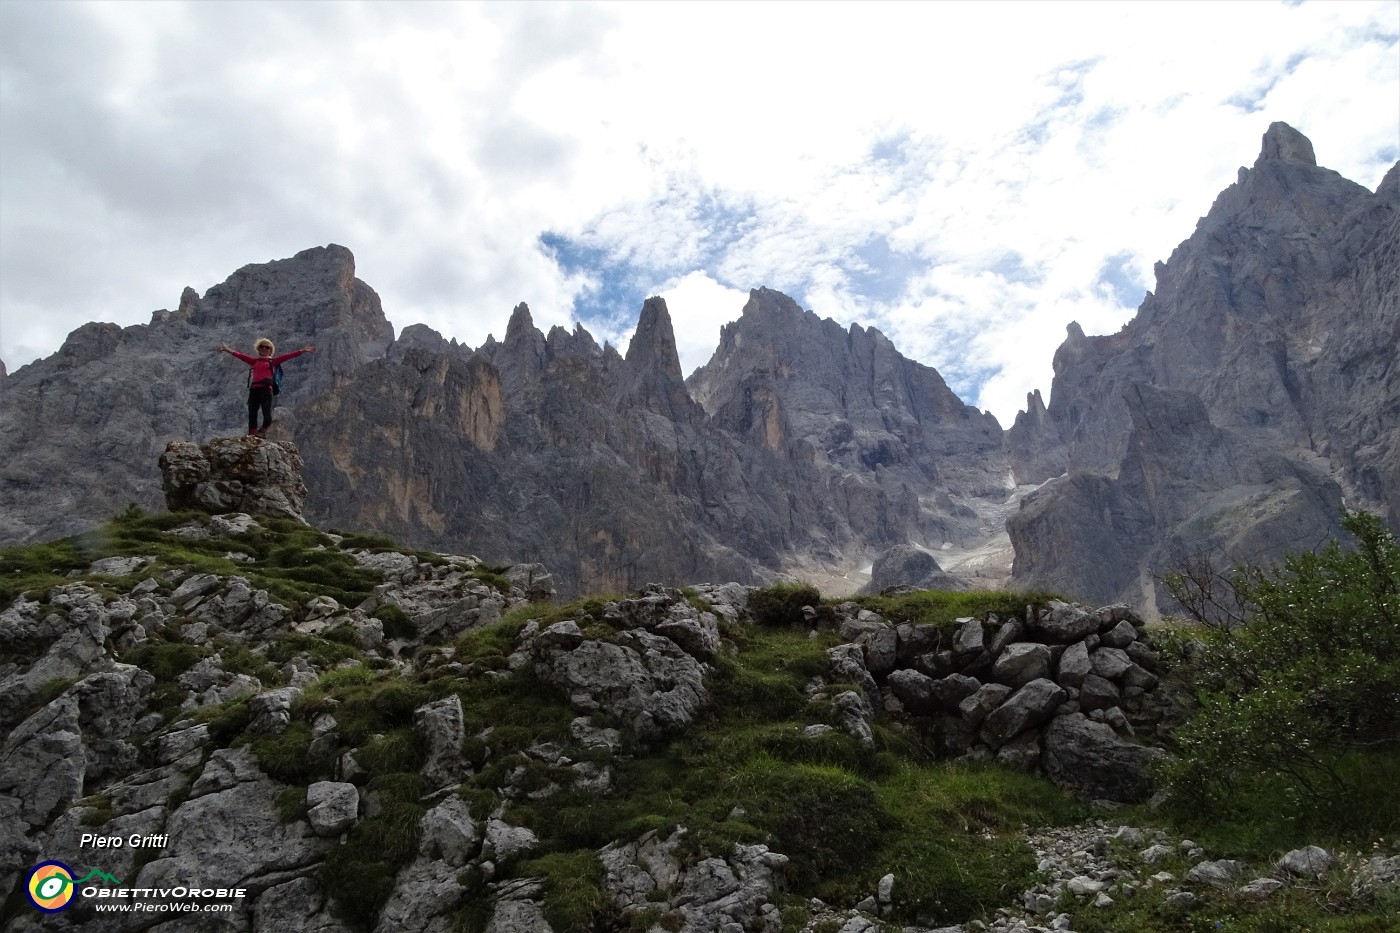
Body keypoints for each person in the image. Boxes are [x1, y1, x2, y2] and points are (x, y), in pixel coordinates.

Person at [216, 338, 315, 435]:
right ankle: (252, 433)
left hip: (266, 388)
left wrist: (302, 351)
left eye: (267, 347)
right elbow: (240, 356)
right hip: (254, 389)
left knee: (266, 410)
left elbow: (288, 356)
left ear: (270, 351)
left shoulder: (273, 361)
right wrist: (227, 350)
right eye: (261, 347)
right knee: (252, 411)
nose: (264, 349)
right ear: (258, 349)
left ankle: (264, 429)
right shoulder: (254, 361)